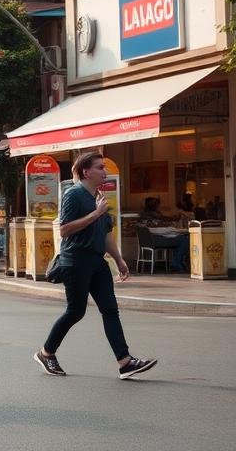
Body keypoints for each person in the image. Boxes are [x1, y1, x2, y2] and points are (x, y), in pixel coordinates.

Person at [35, 152, 158, 380]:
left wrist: (119, 260)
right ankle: (46, 352)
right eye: (100, 167)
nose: (105, 171)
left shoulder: (99, 196)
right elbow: (64, 229)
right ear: (86, 172)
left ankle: (125, 362)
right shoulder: (74, 195)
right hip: (76, 260)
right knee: (75, 311)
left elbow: (105, 234)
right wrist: (95, 213)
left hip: (97, 262)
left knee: (110, 309)